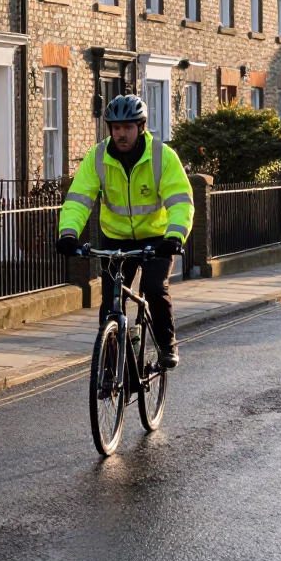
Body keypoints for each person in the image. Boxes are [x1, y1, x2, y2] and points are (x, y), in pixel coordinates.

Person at [56, 94, 193, 369]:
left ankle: (168, 346)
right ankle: (110, 370)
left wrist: (175, 236)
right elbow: (79, 199)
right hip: (115, 240)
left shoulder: (162, 156)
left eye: (127, 127)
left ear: (141, 127)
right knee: (110, 304)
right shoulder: (98, 157)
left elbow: (180, 201)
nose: (121, 134)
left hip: (157, 239)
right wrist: (68, 234)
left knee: (154, 288)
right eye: (116, 128)